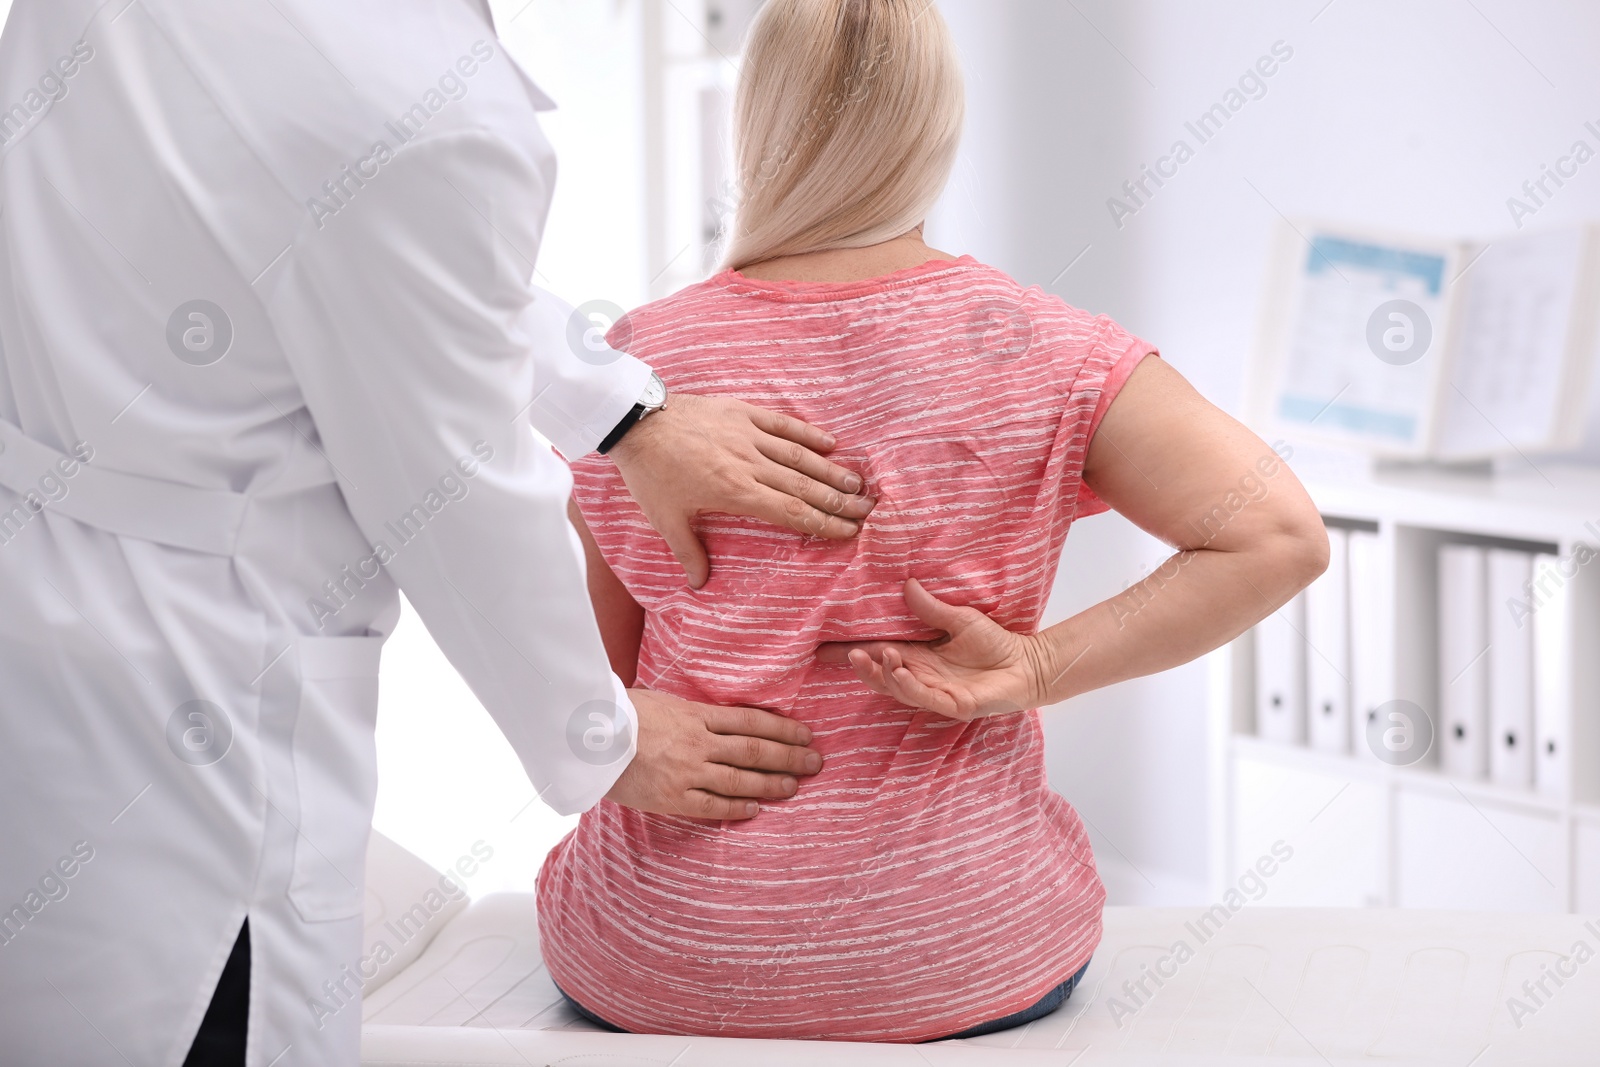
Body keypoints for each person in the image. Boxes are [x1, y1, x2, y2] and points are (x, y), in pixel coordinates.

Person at [0, 2, 872, 1064]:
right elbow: (463, 491)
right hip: (195, 700)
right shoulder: (418, 115)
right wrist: (600, 732)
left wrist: (618, 408)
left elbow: (328, 230)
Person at [536, 0, 1328, 1043]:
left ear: (757, 120)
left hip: (660, 955)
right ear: (935, 124)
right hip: (965, 953)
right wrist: (1040, 667)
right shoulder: (1048, 347)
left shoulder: (630, 383)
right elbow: (1278, 534)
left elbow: (610, 668)